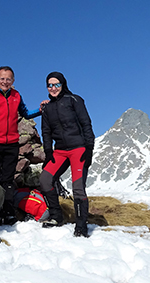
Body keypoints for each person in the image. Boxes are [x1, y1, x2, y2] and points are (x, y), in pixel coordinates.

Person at [0, 66, 47, 224]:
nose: (5, 81)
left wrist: (40, 110)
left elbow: (25, 113)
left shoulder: (16, 95)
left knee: (8, 180)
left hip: (12, 144)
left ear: (13, 81)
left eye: (9, 79)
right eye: (2, 78)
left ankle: (9, 211)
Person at [39, 71, 95, 238]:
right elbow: (46, 132)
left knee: (78, 189)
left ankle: (81, 225)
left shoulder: (74, 100)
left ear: (63, 84)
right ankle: (57, 216)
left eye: (57, 84)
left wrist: (89, 148)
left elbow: (86, 123)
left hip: (78, 148)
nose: (53, 88)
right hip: (60, 151)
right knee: (45, 180)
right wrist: (48, 152)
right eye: (50, 85)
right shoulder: (47, 108)